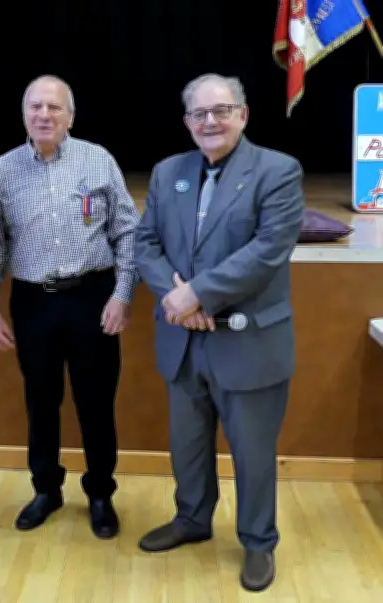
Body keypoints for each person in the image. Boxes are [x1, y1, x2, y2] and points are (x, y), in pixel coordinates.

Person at [133, 73, 305, 592]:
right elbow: (146, 244)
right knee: (187, 445)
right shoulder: (168, 173)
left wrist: (197, 295)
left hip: (249, 341)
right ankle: (191, 519)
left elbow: (268, 251)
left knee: (252, 453)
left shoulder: (277, 171)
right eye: (199, 114)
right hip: (184, 341)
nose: (210, 121)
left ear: (244, 114)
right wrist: (176, 297)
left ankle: (258, 542)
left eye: (221, 110)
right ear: (187, 122)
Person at [0, 75, 141, 539]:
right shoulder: (3, 170)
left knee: (95, 402)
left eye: (54, 107)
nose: (44, 115)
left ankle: (100, 493)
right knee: (41, 402)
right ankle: (46, 489)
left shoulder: (98, 160)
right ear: (24, 114)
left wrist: (122, 293)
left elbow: (127, 231)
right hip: (34, 303)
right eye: (35, 107)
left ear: (71, 115)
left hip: (93, 297)